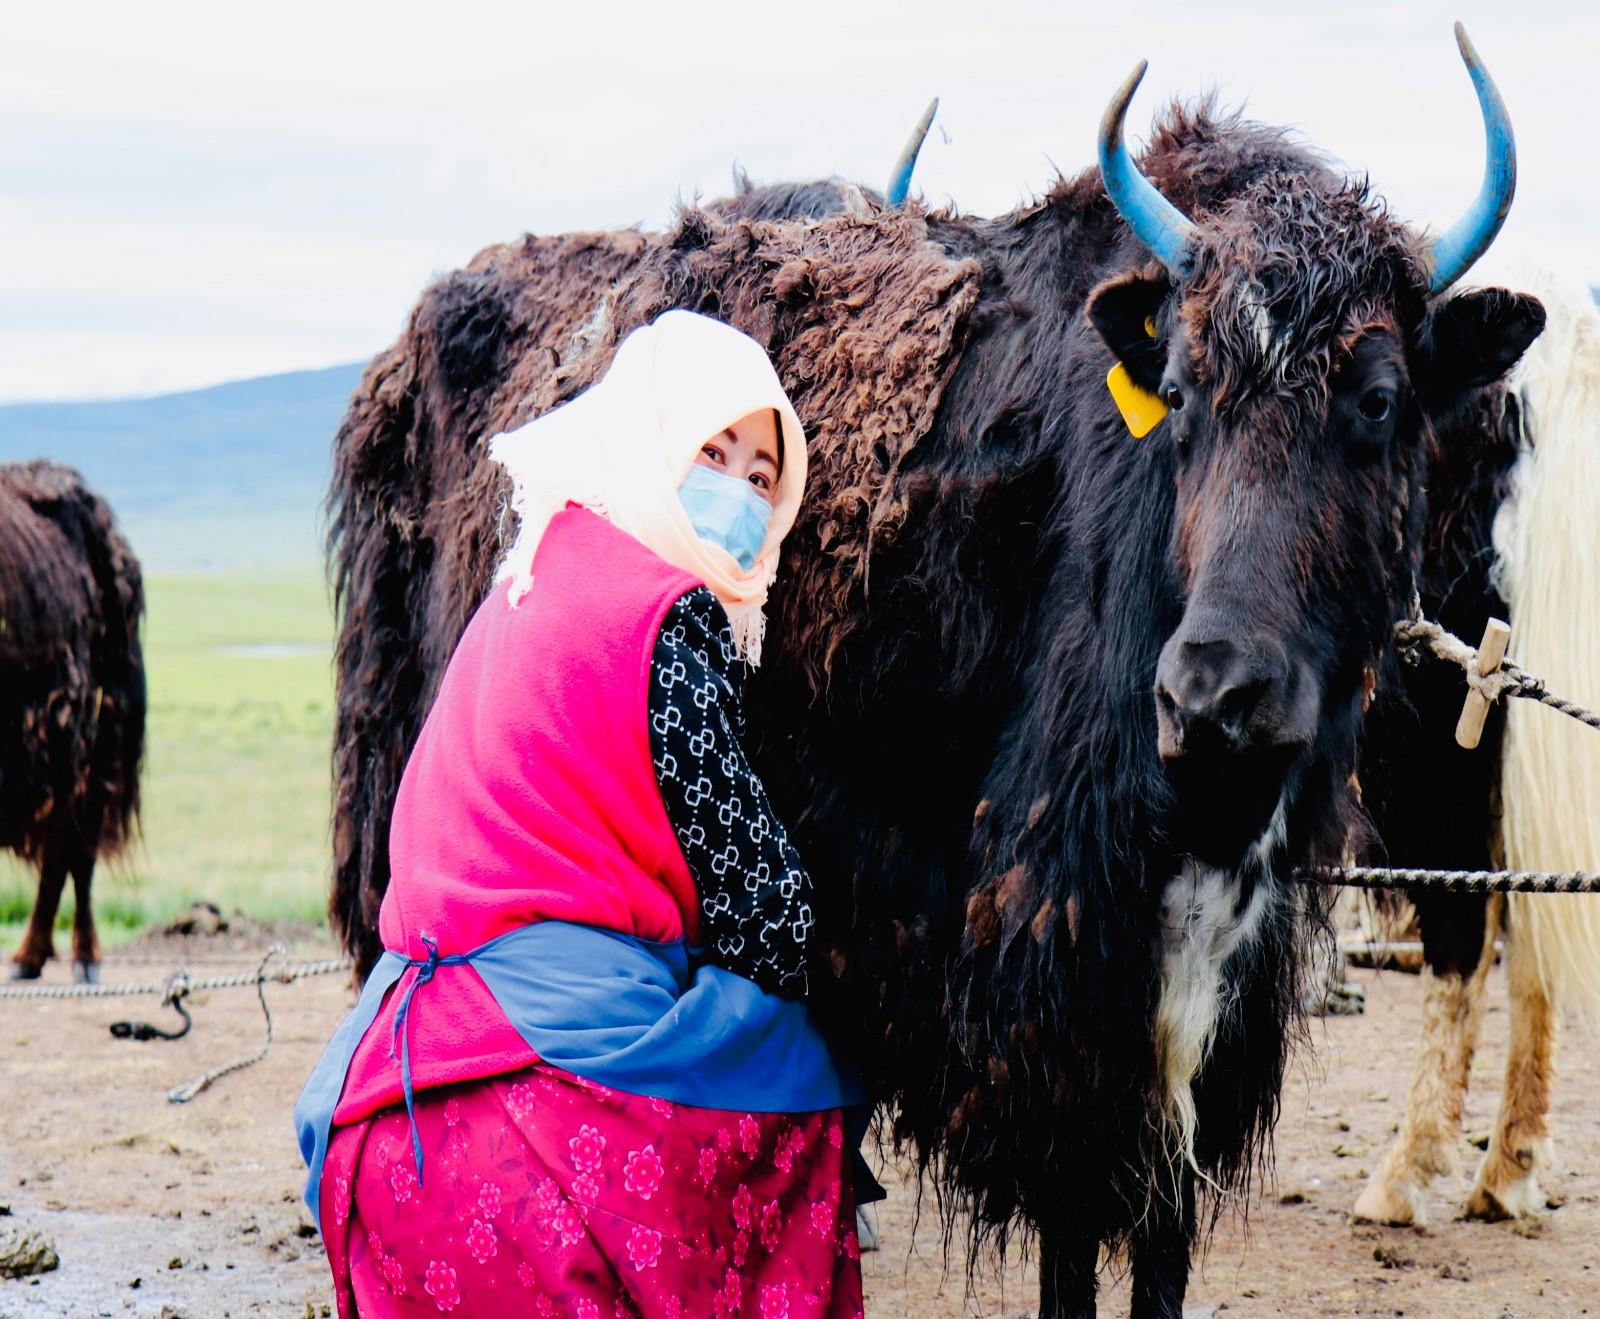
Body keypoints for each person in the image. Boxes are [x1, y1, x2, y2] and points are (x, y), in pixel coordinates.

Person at [295, 310, 864, 1318]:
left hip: (383, 1102)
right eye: (711, 451)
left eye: (761, 475)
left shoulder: (533, 576)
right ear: (650, 445)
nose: (735, 491)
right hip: (535, 1123)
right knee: (802, 1074)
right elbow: (766, 905)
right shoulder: (668, 614)